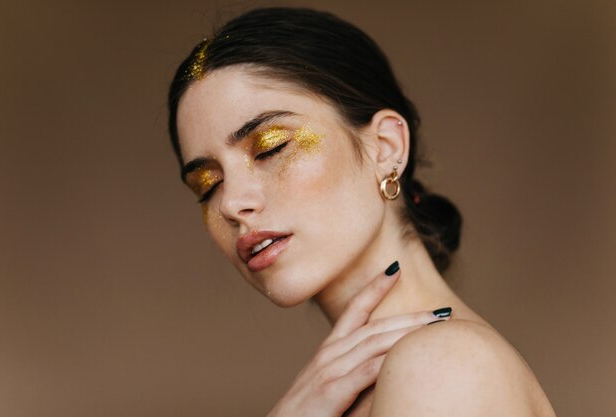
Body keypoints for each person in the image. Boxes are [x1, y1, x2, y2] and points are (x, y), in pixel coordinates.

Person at [166, 7, 556, 417]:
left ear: (385, 147)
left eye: (270, 147)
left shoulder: (443, 364)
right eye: (207, 185)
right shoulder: (350, 389)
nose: (230, 204)